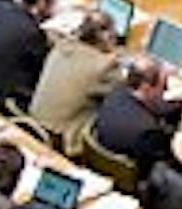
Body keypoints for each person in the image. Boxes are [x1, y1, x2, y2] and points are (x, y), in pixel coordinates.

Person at [29, 9, 129, 138]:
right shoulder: (102, 67)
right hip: (60, 136)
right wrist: (115, 57)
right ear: (106, 37)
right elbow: (125, 88)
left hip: (33, 122)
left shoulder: (62, 45)